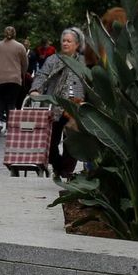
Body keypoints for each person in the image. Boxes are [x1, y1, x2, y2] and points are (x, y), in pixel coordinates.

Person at [30, 27, 91, 179]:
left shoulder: (84, 62)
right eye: (63, 40)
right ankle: (58, 166)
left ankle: (66, 172)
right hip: (54, 106)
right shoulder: (53, 60)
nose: (65, 43)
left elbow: (91, 83)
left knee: (72, 142)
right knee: (50, 143)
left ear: (77, 45)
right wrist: (35, 89)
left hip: (75, 108)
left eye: (69, 41)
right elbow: (41, 75)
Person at [0, 25, 30, 134]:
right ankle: (9, 125)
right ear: (15, 34)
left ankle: (0, 122)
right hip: (15, 79)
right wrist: (23, 73)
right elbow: (25, 63)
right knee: (12, 102)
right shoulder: (20, 47)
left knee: (0, 100)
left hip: (0, 78)